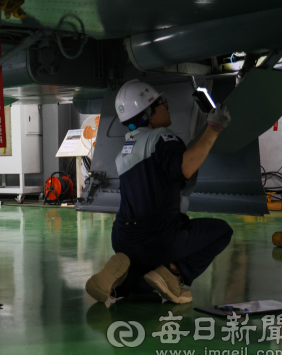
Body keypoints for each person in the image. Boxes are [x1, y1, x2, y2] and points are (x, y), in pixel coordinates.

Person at [85, 79, 233, 304]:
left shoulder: (124, 150)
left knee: (149, 283)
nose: (167, 106)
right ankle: (174, 273)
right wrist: (214, 128)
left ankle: (122, 283)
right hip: (159, 238)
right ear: (149, 113)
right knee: (221, 231)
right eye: (161, 103)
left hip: (123, 239)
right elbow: (185, 167)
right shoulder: (163, 138)